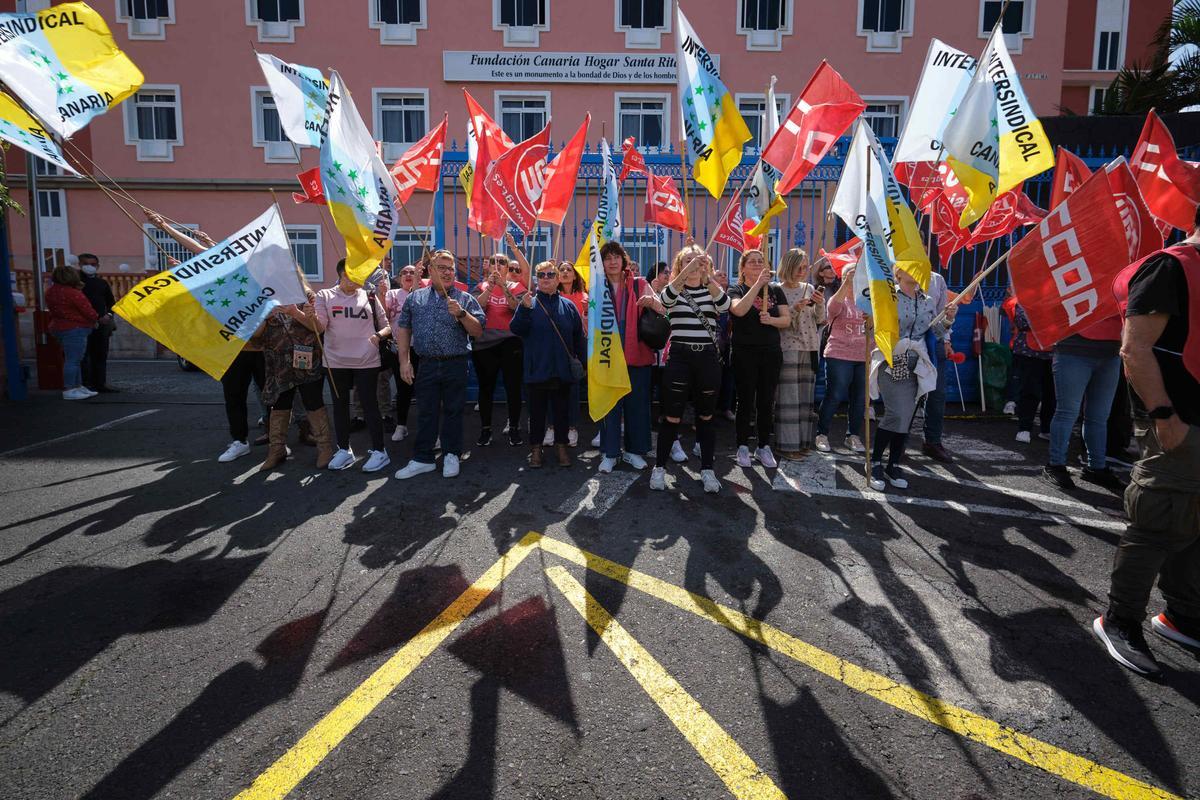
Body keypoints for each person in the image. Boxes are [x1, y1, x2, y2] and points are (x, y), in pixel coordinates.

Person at [1093, 216, 1200, 677]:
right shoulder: (1169, 268)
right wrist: (1163, 416)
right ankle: (1120, 621)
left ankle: (1182, 615)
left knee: (1195, 522)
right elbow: (1135, 350)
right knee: (1159, 517)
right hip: (1177, 423)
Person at [393, 249, 486, 479]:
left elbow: (478, 331)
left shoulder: (464, 298)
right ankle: (423, 458)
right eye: (441, 267)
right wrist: (404, 361)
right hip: (426, 363)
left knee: (454, 411)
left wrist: (462, 314)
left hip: (455, 363)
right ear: (430, 271)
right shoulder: (416, 297)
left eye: (450, 268)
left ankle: (451, 454)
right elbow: (404, 327)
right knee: (426, 411)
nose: (447, 272)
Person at [650, 244, 729, 493]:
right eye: (686, 261)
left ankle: (707, 470)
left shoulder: (711, 290)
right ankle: (659, 468)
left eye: (698, 260)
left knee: (706, 416)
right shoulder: (675, 290)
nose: (693, 264)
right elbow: (664, 300)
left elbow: (725, 306)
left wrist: (707, 277)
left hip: (707, 357)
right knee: (671, 416)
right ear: (679, 266)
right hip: (680, 357)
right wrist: (685, 274)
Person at [868, 267, 945, 492]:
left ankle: (893, 464)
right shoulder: (888, 296)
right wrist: (871, 321)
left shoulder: (928, 300)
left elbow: (935, 332)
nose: (915, 270)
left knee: (905, 416)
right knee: (897, 412)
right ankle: (874, 462)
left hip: (916, 364)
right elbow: (877, 329)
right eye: (908, 267)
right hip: (891, 360)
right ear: (898, 273)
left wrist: (947, 319)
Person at [313, 259, 391, 473]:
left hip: (367, 361)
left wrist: (378, 336)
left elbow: (387, 327)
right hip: (335, 361)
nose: (360, 278)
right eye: (355, 274)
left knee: (369, 405)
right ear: (342, 275)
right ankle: (344, 450)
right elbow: (320, 326)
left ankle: (379, 451)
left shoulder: (370, 296)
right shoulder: (324, 296)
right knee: (339, 405)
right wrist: (307, 316)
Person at [510, 260, 585, 468]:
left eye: (550, 274)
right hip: (537, 370)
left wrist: (584, 363)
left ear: (557, 278)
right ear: (536, 279)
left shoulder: (569, 306)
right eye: (541, 275)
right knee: (536, 414)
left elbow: (578, 337)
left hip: (562, 371)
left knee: (561, 412)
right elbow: (516, 329)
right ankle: (536, 449)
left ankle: (561, 446)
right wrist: (523, 310)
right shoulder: (529, 303)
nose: (545, 278)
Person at [595, 241, 662, 473]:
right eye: (607, 258)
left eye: (616, 257)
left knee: (637, 407)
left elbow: (663, 308)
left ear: (623, 260)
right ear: (602, 263)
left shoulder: (639, 283)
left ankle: (634, 452)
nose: (612, 261)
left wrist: (651, 301)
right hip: (607, 358)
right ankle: (610, 453)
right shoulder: (596, 287)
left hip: (637, 356)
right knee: (610, 407)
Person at [1041, 318, 1126, 494]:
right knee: (1068, 413)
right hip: (1073, 350)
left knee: (1099, 416)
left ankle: (1096, 467)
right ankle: (1055, 465)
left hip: (1110, 353)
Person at [727, 249, 791, 468]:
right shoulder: (736, 289)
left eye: (760, 261)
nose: (756, 264)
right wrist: (756, 286)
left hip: (770, 352)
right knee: (745, 400)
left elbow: (786, 320)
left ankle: (764, 445)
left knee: (766, 401)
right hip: (744, 352)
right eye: (752, 262)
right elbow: (739, 310)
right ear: (743, 267)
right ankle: (742, 445)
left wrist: (771, 320)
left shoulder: (775, 291)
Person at [259, 281, 333, 470]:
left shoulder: (307, 295)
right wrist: (264, 318)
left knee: (313, 402)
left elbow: (319, 327)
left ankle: (324, 448)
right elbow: (255, 335)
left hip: (306, 359)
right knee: (280, 404)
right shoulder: (263, 296)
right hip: (278, 361)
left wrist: (294, 312)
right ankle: (277, 449)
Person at [471, 237, 527, 447]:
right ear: (488, 266)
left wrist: (504, 287)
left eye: (502, 262)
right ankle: (486, 429)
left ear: (507, 267)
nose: (498, 265)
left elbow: (517, 309)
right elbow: (477, 308)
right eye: (493, 261)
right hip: (485, 344)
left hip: (510, 343)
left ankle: (513, 428)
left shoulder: (516, 285)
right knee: (486, 388)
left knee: (513, 388)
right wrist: (489, 288)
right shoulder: (480, 285)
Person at [776, 248, 826, 458]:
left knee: (806, 400)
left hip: (810, 347)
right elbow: (780, 323)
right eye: (799, 267)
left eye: (806, 267)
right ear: (788, 266)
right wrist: (795, 308)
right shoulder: (776, 290)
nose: (802, 271)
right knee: (789, 400)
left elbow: (820, 320)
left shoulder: (809, 288)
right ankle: (786, 446)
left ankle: (803, 443)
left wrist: (820, 304)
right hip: (787, 347)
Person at [815, 263, 867, 454]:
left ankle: (853, 436)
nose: (855, 278)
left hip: (863, 355)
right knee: (834, 394)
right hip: (839, 353)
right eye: (849, 275)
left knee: (859, 398)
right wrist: (847, 282)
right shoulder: (840, 298)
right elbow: (832, 310)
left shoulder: (868, 299)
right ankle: (822, 434)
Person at [45, 264, 98, 401]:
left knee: (73, 359)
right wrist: (96, 318)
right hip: (75, 328)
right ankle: (70, 388)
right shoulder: (73, 293)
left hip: (58, 327)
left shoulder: (51, 291)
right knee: (73, 360)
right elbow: (88, 311)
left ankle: (77, 386)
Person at [920, 271, 957, 464]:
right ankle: (897, 444)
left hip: (936, 341)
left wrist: (947, 339)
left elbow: (944, 311)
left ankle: (932, 441)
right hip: (909, 343)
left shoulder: (937, 279)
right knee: (908, 395)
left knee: (937, 394)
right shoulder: (895, 274)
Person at [553, 259, 588, 448]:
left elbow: (589, 326)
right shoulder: (551, 295)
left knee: (573, 391)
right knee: (553, 389)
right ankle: (552, 426)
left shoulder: (584, 296)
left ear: (575, 275)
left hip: (575, 350)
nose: (565, 272)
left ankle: (572, 428)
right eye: (561, 270)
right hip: (554, 350)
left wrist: (585, 312)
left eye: (569, 270)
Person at [1011, 302, 1055, 445]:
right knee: (1029, 390)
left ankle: (1047, 428)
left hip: (1055, 351)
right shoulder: (1025, 295)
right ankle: (1025, 427)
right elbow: (1021, 321)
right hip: (1029, 350)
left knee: (1052, 392)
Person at [385, 264, 420, 442]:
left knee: (423, 388)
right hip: (399, 348)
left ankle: (425, 426)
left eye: (412, 272)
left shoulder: (422, 293)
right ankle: (402, 425)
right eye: (404, 272)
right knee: (402, 387)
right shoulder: (391, 294)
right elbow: (383, 317)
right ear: (398, 278)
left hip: (420, 348)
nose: (408, 275)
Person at [77, 253, 118, 393]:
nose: (90, 267)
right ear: (80, 265)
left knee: (100, 354)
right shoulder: (75, 283)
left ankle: (100, 383)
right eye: (86, 264)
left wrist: (109, 315)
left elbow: (111, 302)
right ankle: (85, 385)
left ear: (98, 266)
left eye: (93, 264)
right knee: (83, 356)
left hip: (102, 324)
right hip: (81, 324)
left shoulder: (102, 283)